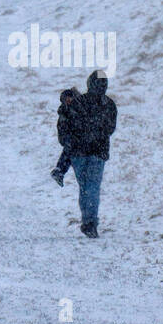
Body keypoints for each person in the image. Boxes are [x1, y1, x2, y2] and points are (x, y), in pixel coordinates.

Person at [64, 70, 117, 238]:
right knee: (91, 187)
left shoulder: (80, 102)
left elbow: (69, 124)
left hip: (80, 152)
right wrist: (96, 131)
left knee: (86, 187)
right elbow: (110, 129)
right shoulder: (109, 104)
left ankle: (89, 222)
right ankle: (89, 222)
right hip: (97, 151)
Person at [51, 87, 80, 186]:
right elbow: (61, 130)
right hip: (75, 140)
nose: (68, 101)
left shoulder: (82, 107)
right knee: (71, 148)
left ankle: (59, 170)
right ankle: (59, 171)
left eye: (69, 98)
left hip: (85, 139)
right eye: (65, 100)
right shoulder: (64, 113)